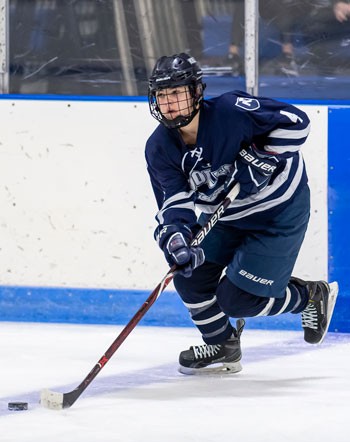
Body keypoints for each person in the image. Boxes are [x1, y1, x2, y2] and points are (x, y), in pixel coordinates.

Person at [145, 52, 339, 374]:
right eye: (162, 96)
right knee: (189, 277)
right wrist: (177, 238)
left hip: (276, 213)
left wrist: (261, 156)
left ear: (196, 92)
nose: (169, 103)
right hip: (226, 217)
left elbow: (297, 125)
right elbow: (174, 203)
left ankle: (309, 296)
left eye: (177, 93)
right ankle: (223, 345)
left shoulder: (230, 111)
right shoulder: (160, 148)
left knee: (237, 300)